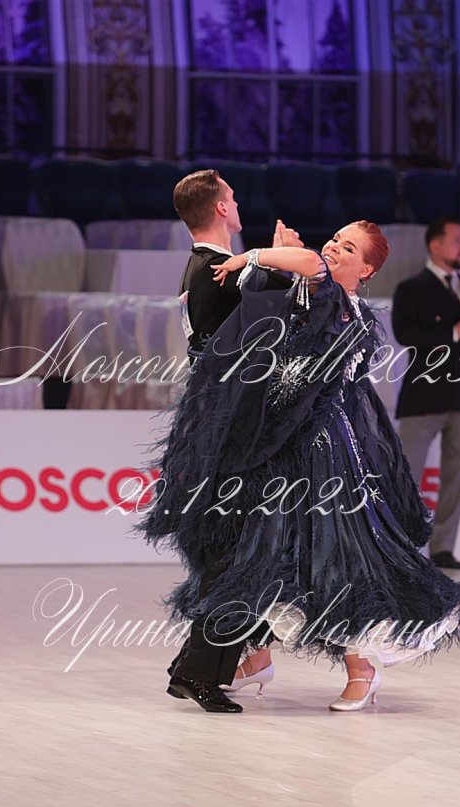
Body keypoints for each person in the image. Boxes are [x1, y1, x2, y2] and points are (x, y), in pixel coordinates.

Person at [143, 221, 460, 713]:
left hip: (324, 456)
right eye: (335, 239)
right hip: (287, 445)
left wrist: (250, 256)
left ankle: (361, 670)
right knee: (267, 555)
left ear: (367, 271)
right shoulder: (313, 292)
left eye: (348, 248)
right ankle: (256, 659)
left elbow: (308, 265)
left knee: (334, 560)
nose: (334, 248)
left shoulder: (338, 299)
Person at [162, 169, 300, 713]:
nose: (238, 204)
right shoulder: (222, 272)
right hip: (232, 430)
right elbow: (282, 318)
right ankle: (195, 671)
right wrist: (285, 259)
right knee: (235, 553)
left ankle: (198, 667)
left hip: (217, 425)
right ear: (220, 208)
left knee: (237, 551)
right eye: (233, 198)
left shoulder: (203, 268)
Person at [392, 217, 460, 570]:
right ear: (435, 244)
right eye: (457, 240)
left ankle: (443, 546)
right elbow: (406, 334)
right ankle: (401, 546)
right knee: (407, 474)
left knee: (458, 475)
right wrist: (454, 332)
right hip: (425, 395)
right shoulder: (411, 288)